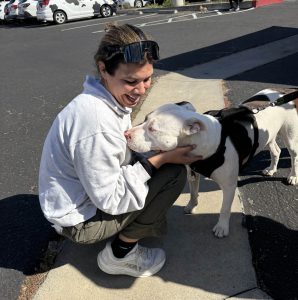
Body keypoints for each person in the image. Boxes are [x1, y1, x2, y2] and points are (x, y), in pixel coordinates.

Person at [38, 23, 201, 278]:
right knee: (173, 175)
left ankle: (129, 231)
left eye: (148, 78)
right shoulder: (95, 122)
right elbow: (111, 199)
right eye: (131, 81)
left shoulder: (106, 98)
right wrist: (162, 158)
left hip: (80, 199)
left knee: (158, 165)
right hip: (81, 222)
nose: (141, 89)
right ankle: (120, 254)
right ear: (103, 69)